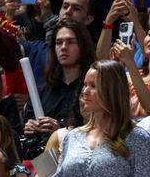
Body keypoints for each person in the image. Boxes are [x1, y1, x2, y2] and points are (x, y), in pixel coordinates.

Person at [20, 20, 95, 160]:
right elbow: (27, 127)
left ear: (83, 46)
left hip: (81, 156)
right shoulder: (42, 90)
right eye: (59, 43)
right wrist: (30, 128)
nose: (63, 47)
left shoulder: (92, 89)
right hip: (42, 159)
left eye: (70, 42)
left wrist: (60, 129)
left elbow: (97, 127)